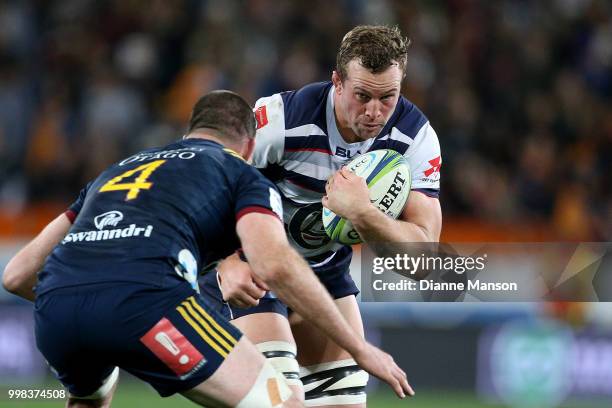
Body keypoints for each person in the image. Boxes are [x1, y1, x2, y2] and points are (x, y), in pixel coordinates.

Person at [2, 90, 413, 407]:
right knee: (284, 401)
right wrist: (360, 349)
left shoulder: (118, 170)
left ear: (187, 133)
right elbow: (275, 266)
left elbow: (17, 275)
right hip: (146, 302)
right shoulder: (239, 172)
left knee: (89, 398)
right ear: (250, 147)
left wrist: (91, 305)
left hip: (56, 309)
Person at [200, 25, 442, 407]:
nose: (374, 112)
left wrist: (362, 213)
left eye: (388, 97)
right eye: (362, 95)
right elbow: (201, 182)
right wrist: (223, 261)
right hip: (256, 267)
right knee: (281, 400)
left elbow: (423, 261)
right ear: (337, 83)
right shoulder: (281, 119)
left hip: (324, 271)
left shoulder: (415, 139)